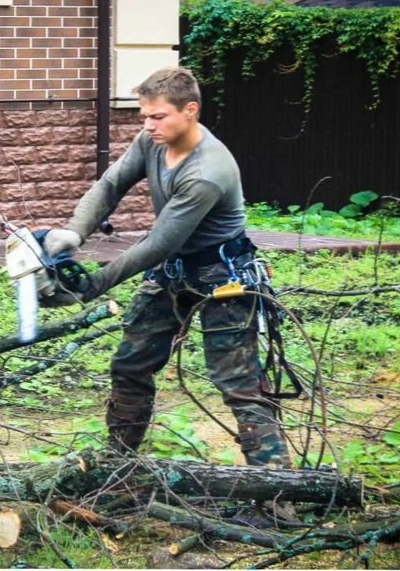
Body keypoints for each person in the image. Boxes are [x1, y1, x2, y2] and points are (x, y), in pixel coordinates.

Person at [40, 67, 291, 471]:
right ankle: (117, 470)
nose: (148, 125)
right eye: (145, 115)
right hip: (173, 273)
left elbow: (159, 242)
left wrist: (93, 285)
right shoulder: (151, 142)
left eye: (157, 116)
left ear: (190, 110)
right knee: (130, 365)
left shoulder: (208, 171)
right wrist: (73, 233)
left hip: (222, 276)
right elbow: (109, 185)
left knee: (239, 385)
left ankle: (277, 489)